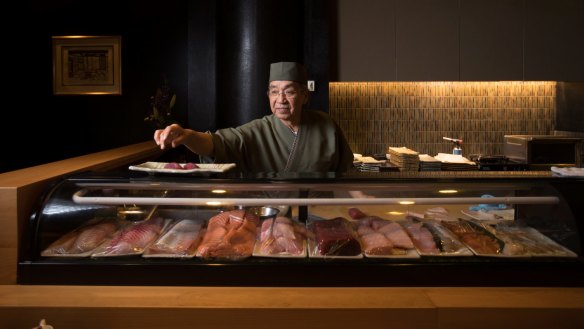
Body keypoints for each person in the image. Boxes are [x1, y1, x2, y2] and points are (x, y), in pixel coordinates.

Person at [154, 62, 354, 173]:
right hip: (269, 215)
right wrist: (188, 136)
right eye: (274, 92)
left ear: (305, 96)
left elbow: (346, 172)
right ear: (268, 96)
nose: (281, 99)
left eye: (289, 92)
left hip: (317, 213)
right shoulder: (257, 130)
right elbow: (217, 143)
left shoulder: (326, 125)